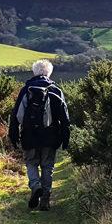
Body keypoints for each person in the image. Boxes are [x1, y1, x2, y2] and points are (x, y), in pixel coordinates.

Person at [8, 59, 70, 211]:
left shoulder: (26, 90)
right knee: (47, 166)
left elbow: (16, 115)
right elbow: (65, 118)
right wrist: (65, 138)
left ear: (34, 72)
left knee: (31, 163)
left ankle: (35, 186)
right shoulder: (56, 90)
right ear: (49, 73)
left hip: (29, 135)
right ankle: (45, 200)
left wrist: (13, 135)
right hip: (51, 136)